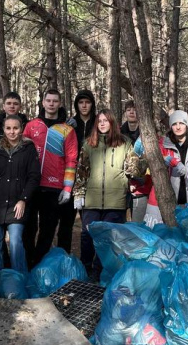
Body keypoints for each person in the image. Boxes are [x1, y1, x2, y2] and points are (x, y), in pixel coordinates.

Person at [73, 110, 142, 279]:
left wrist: (141, 162)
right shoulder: (89, 144)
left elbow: (134, 169)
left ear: (112, 123)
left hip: (116, 201)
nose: (102, 124)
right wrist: (78, 193)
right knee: (87, 236)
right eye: (100, 121)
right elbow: (81, 171)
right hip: (92, 200)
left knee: (109, 239)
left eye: (106, 121)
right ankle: (86, 269)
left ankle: (100, 272)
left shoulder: (124, 143)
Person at [0, 115, 40, 274]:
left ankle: (21, 278)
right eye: (8, 128)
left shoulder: (28, 149)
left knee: (16, 243)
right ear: (3, 130)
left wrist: (23, 200)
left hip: (16, 206)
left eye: (15, 128)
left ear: (21, 129)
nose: (12, 132)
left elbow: (34, 177)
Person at [23, 89, 79, 263]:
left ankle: (39, 264)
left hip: (53, 187)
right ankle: (27, 263)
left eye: (55, 101)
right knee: (28, 229)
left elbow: (72, 160)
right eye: (49, 100)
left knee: (47, 230)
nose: (52, 104)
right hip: (31, 185)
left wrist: (67, 188)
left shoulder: (67, 129)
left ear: (59, 103)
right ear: (43, 102)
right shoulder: (32, 125)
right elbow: (20, 154)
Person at [143, 110, 188, 227]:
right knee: (161, 234)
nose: (178, 127)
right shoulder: (163, 144)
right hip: (165, 198)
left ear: (187, 125)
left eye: (181, 123)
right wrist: (174, 162)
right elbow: (157, 158)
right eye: (174, 124)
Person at [121, 101, 151, 222]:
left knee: (138, 223)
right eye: (129, 110)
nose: (132, 112)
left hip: (142, 185)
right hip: (122, 184)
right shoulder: (119, 133)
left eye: (135, 109)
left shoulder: (147, 133)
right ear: (125, 113)